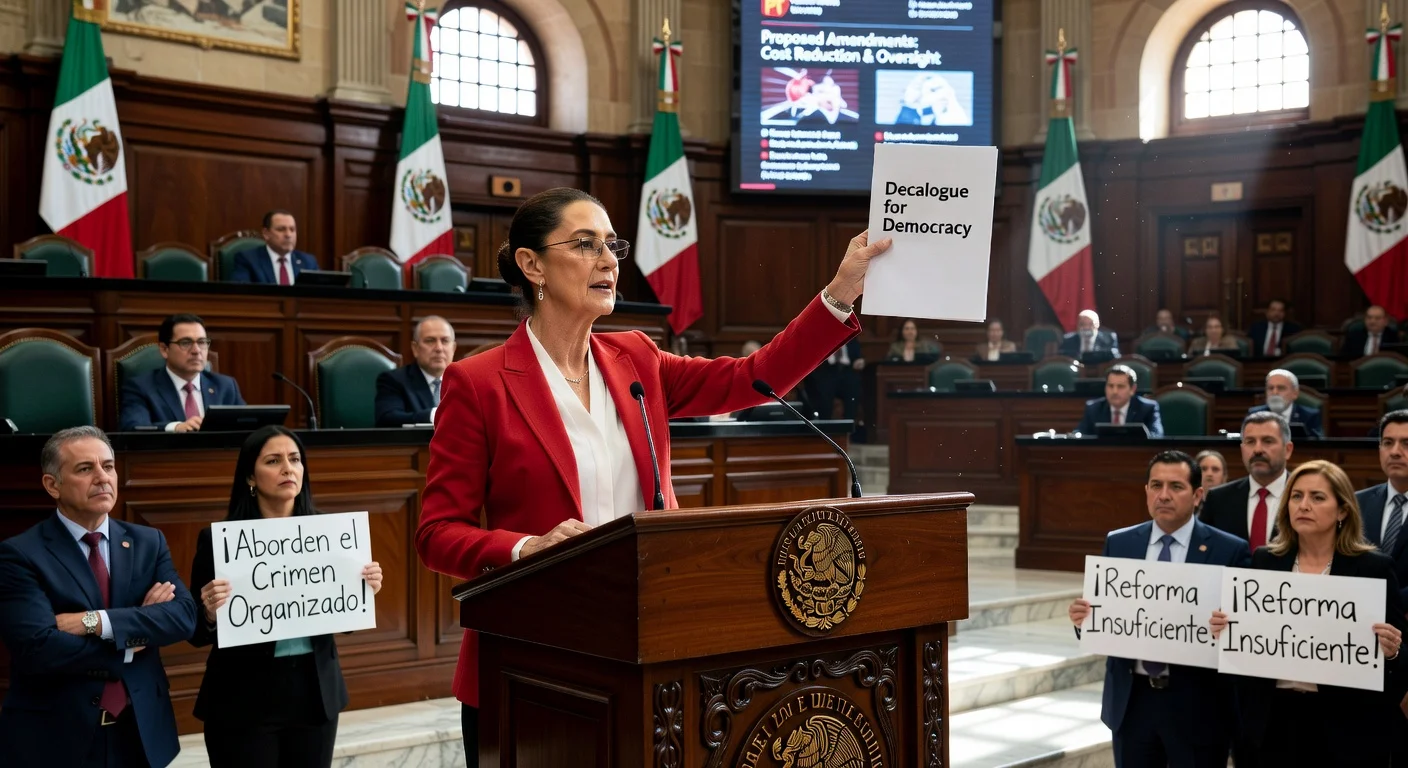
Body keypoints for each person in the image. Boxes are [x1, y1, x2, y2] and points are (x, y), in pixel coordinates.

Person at [412, 187, 885, 759]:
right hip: (529, 662)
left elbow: (753, 377)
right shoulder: (478, 382)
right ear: (531, 264)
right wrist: (527, 548)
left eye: (612, 245)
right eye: (585, 245)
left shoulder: (636, 357)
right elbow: (436, 534)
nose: (608, 260)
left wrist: (840, 292)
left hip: (649, 648)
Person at [0, 426, 196, 768]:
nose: (103, 478)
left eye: (108, 466)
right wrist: (135, 638)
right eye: (85, 468)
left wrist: (96, 622)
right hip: (57, 737)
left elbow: (184, 617)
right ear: (52, 485)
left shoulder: (148, 541)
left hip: (139, 731)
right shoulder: (19, 554)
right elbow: (38, 648)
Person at [190, 425, 383, 768]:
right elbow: (195, 633)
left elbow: (345, 620)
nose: (287, 469)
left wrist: (363, 589)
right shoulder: (219, 541)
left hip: (314, 693)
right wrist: (208, 612)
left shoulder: (332, 534)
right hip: (242, 698)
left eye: (294, 459)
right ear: (250, 476)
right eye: (273, 461)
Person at [1211, 460, 1407, 767]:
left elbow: (1402, 658)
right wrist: (1226, 630)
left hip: (1347, 726)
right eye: (1296, 496)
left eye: (1317, 497)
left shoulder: (1373, 568)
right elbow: (1246, 652)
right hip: (1271, 722)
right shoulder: (1266, 560)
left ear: (1342, 511)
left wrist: (1392, 652)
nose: (1304, 505)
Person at [1068, 451, 1250, 767]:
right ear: (1146, 491)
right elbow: (1104, 622)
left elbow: (1244, 634)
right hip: (1132, 701)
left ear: (1197, 495)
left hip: (1198, 705)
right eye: (1156, 485)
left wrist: (1230, 626)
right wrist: (1083, 620)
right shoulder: (1119, 543)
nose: (1163, 495)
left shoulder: (1229, 550)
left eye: (1176, 487)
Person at [119, 313, 246, 432]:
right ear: (164, 349)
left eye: (202, 342)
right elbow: (134, 427)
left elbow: (247, 426)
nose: (196, 350)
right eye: (186, 343)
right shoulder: (141, 388)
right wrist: (175, 427)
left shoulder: (225, 386)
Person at [1200, 411, 1293, 549]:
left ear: (1288, 450)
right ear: (1242, 449)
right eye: (1250, 442)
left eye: (1267, 441)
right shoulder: (1218, 499)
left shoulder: (1304, 495)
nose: (1257, 450)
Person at [375, 315, 457, 427]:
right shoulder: (394, 381)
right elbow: (387, 418)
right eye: (430, 341)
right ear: (415, 348)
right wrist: (433, 415)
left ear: (453, 348)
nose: (439, 348)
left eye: (445, 341)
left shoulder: (466, 382)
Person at [230, 210, 319, 284]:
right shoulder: (248, 260)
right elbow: (241, 293)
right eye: (281, 229)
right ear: (266, 233)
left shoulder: (308, 262)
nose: (288, 235)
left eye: (292, 230)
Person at [1074, 365, 1163, 436]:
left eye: (1120, 386)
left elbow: (1156, 435)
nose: (1114, 391)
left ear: (1132, 389)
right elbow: (1080, 433)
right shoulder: (1093, 408)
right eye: (1110, 386)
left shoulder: (1147, 409)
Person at [1245, 368, 1323, 438]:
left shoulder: (1309, 416)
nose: (1275, 392)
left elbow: (1317, 444)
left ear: (1295, 393)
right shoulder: (1254, 414)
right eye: (1270, 388)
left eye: (1281, 388)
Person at [804, 338, 864, 421]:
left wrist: (859, 361)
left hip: (848, 370)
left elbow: (858, 356)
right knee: (823, 390)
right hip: (826, 371)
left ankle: (850, 423)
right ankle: (824, 424)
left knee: (854, 386)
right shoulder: (819, 337)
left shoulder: (850, 336)